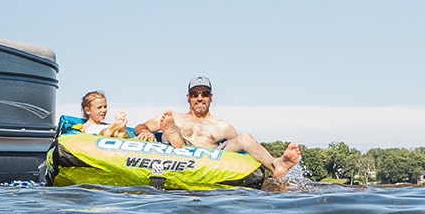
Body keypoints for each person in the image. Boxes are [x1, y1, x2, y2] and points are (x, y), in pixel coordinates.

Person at [140, 76, 303, 187]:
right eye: (194, 94)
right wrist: (146, 132)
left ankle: (276, 164)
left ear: (211, 97)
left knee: (245, 138)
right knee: (171, 130)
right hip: (178, 153)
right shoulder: (173, 117)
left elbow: (240, 155)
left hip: (208, 158)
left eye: (204, 94)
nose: (199, 98)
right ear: (187, 98)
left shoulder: (223, 127)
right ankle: (174, 136)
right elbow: (141, 126)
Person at [58, 90, 136, 137]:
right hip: (97, 138)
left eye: (105, 107)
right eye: (99, 107)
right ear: (87, 110)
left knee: (119, 134)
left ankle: (121, 130)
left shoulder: (105, 125)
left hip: (110, 133)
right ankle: (109, 131)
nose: (104, 110)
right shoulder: (85, 126)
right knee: (104, 131)